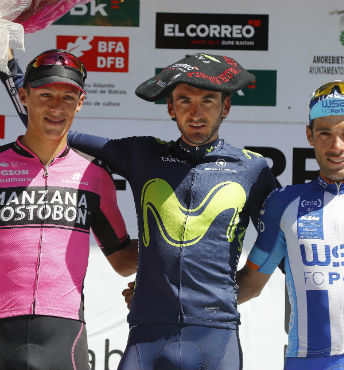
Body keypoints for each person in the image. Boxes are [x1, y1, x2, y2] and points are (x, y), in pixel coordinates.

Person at [3, 52, 276, 370]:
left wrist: (219, 297)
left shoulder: (252, 168)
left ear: (225, 106)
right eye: (184, 100)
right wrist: (12, 71)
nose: (196, 111)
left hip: (215, 337)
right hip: (147, 336)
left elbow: (278, 239)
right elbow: (51, 127)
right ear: (171, 108)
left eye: (209, 100)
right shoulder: (144, 154)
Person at [0, 49, 138, 370]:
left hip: (63, 336)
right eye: (45, 94)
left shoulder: (95, 175)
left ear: (80, 102)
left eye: (67, 97)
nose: (55, 106)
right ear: (23, 96)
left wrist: (173, 245)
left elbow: (121, 260)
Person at [237, 80, 344, 370]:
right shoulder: (282, 203)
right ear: (309, 136)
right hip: (307, 362)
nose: (338, 146)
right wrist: (171, 300)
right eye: (325, 133)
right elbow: (250, 283)